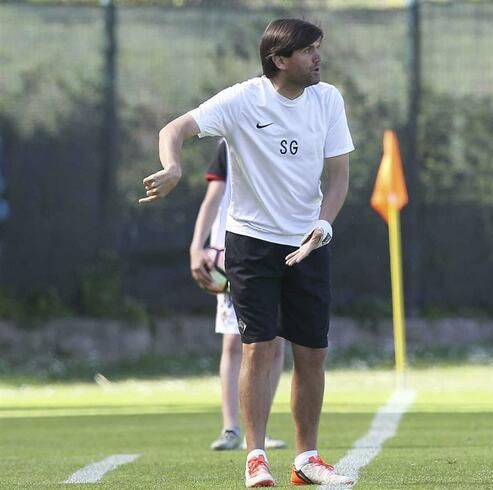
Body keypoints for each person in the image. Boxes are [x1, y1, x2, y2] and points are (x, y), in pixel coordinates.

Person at [140, 18, 355, 487]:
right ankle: (255, 456)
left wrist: (322, 225)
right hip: (251, 241)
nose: (318, 57)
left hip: (310, 242)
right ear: (279, 60)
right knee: (259, 347)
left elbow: (338, 176)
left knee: (313, 352)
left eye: (318, 48)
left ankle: (307, 459)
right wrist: (173, 165)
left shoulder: (328, 100)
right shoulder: (242, 99)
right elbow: (174, 128)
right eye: (307, 51)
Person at [189, 139, 287, 452]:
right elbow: (213, 198)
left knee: (275, 342)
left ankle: (258, 430)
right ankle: (231, 427)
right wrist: (197, 246)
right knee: (234, 343)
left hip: (278, 250)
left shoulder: (288, 135)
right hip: (233, 256)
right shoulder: (229, 142)